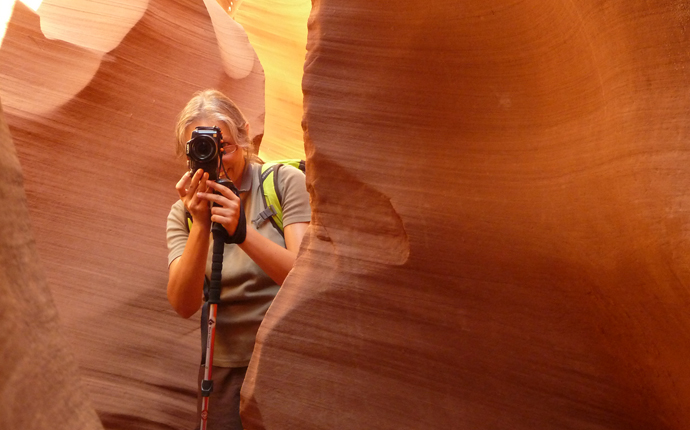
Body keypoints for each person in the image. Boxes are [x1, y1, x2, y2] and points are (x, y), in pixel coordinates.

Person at [165, 89, 311, 429]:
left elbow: (303, 279)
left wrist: (242, 233)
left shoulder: (283, 183)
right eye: (201, 150)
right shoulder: (182, 214)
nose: (216, 159)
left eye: (223, 146)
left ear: (244, 135)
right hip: (224, 368)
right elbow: (184, 304)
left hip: (286, 357)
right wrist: (201, 225)